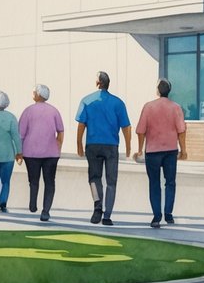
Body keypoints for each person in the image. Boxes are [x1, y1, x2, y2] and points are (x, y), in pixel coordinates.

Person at [75, 71, 131, 226]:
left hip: (92, 145)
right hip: (111, 146)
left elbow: (81, 125)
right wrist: (128, 146)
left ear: (98, 83)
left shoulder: (86, 101)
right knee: (111, 181)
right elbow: (126, 127)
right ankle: (107, 216)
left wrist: (79, 144)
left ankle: (97, 204)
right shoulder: (118, 103)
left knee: (94, 177)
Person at [132, 79, 187, 228]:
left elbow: (140, 131)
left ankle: (156, 216)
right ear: (169, 91)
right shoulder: (176, 108)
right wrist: (184, 150)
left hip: (153, 151)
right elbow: (181, 131)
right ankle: (168, 214)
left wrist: (139, 149)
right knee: (170, 182)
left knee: (154, 183)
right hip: (170, 150)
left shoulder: (148, 107)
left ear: (157, 90)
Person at [19, 84, 64, 222]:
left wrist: (19, 153)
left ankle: (33, 204)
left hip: (30, 153)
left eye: (34, 92)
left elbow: (20, 134)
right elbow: (60, 131)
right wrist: (58, 146)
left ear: (38, 95)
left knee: (33, 180)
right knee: (50, 182)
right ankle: (46, 211)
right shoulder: (54, 111)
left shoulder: (28, 111)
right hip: (51, 153)